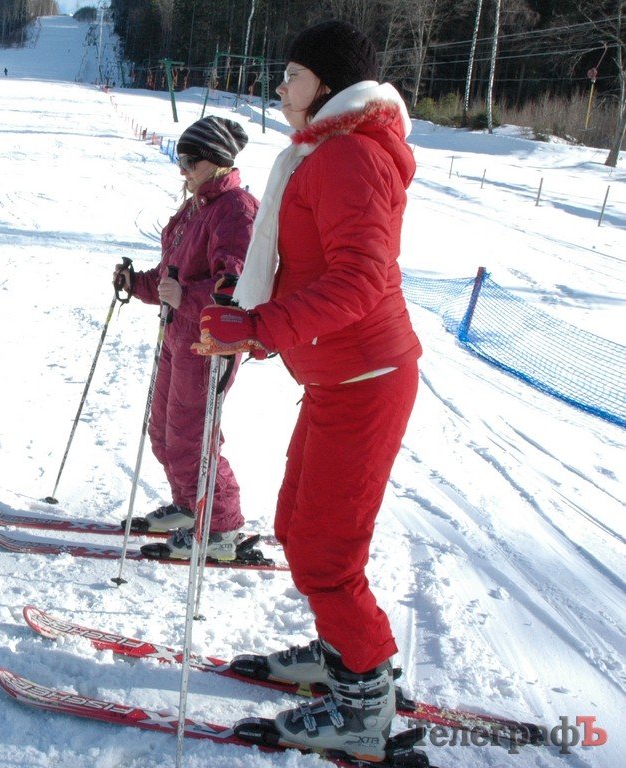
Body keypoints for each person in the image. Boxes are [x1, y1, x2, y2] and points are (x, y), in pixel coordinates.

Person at [192, 20, 422, 760]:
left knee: (325, 553)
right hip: (335, 377)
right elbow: (311, 262)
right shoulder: (325, 151)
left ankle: (361, 707)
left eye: (290, 75)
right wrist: (248, 301)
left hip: (365, 379)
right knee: (295, 528)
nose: (280, 88)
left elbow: (360, 279)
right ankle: (344, 654)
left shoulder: (350, 155)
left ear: (326, 85)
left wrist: (259, 327)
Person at [114, 116, 259, 562]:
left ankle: (221, 528)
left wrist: (186, 296)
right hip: (179, 336)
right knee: (163, 432)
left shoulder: (236, 208)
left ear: (216, 161)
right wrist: (135, 282)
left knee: (192, 438)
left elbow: (235, 287)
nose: (182, 169)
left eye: (189, 160)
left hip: (210, 343)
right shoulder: (196, 207)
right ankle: (187, 506)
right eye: (180, 158)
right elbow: (168, 277)